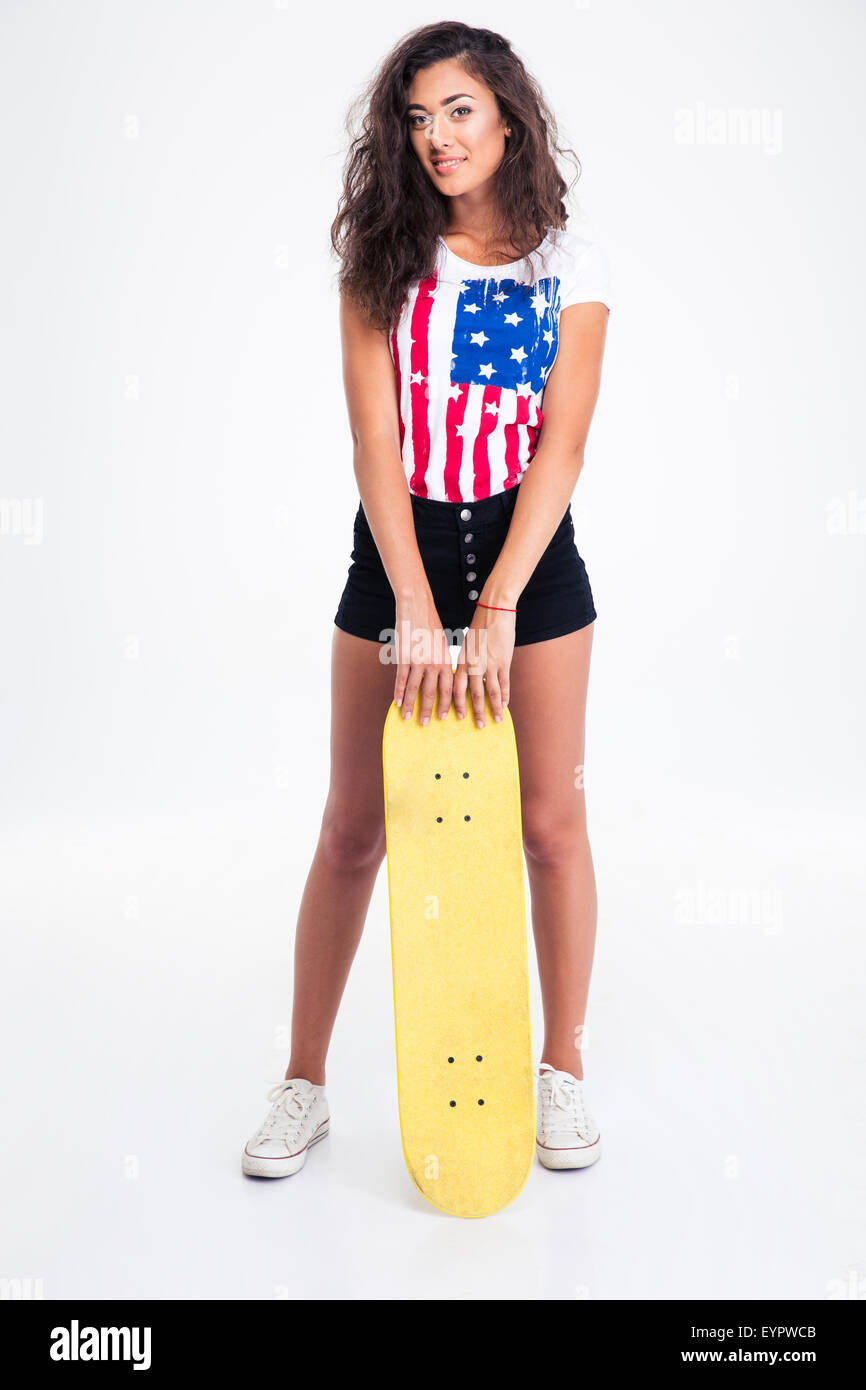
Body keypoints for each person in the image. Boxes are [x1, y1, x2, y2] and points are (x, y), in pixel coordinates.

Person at [242, 21, 612, 1182]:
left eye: (458, 110)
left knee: (546, 826)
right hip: (397, 544)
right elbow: (374, 440)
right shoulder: (382, 258)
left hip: (528, 558)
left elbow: (560, 448)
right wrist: (409, 595)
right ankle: (302, 1082)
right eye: (416, 116)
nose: (437, 137)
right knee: (355, 830)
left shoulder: (568, 260)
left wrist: (496, 604)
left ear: (507, 115)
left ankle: (559, 1069)